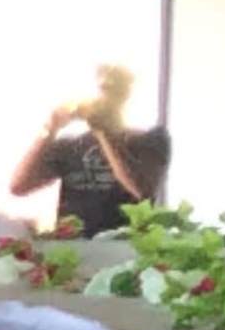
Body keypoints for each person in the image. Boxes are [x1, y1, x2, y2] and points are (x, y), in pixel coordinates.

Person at [11, 58, 170, 237]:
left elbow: (141, 190)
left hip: (124, 247)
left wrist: (103, 131)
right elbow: (19, 186)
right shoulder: (69, 146)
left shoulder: (150, 139)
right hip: (75, 248)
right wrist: (50, 128)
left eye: (112, 89)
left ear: (126, 94)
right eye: (102, 88)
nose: (104, 97)